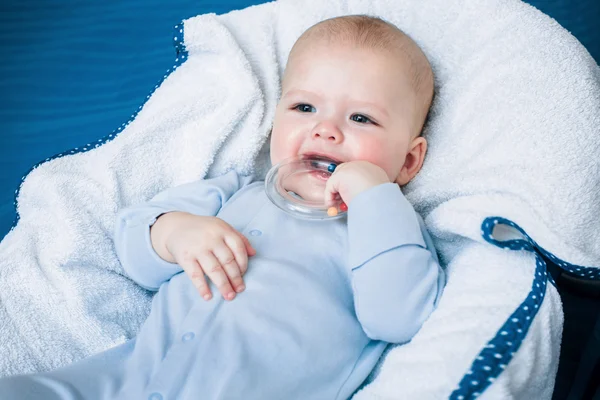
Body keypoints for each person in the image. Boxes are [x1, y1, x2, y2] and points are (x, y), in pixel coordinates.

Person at [0, 15, 444, 400]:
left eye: (361, 118)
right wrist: (175, 234)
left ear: (407, 161)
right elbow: (134, 247)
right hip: (126, 379)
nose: (325, 130)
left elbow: (397, 318)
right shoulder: (233, 192)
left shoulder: (394, 231)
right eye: (304, 107)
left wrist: (372, 197)